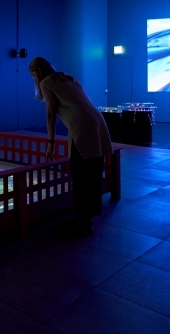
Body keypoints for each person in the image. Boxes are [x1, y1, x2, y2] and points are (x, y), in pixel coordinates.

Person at [29, 57, 112, 235]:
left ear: (36, 72)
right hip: (98, 122)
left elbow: (50, 113)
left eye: (32, 75)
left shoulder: (45, 82)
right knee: (93, 173)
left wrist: (50, 143)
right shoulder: (69, 78)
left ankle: (80, 222)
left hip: (81, 127)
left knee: (80, 176)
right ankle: (88, 220)